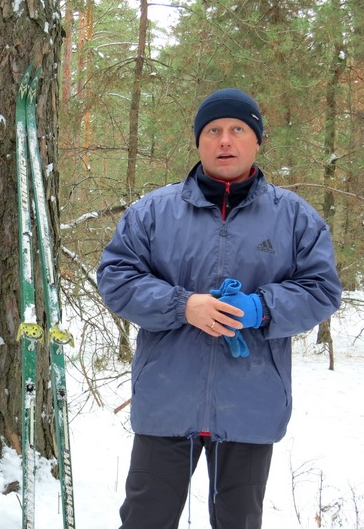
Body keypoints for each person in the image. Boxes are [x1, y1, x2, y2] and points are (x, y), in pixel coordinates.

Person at [97, 88, 343, 529]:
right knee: (145, 520)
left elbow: (322, 289)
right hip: (166, 402)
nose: (224, 140)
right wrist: (182, 305)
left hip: (250, 406)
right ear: (198, 142)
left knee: (238, 522)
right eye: (213, 131)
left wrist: (260, 307)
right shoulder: (152, 213)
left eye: (237, 130)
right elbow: (117, 277)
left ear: (256, 141)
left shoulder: (295, 218)